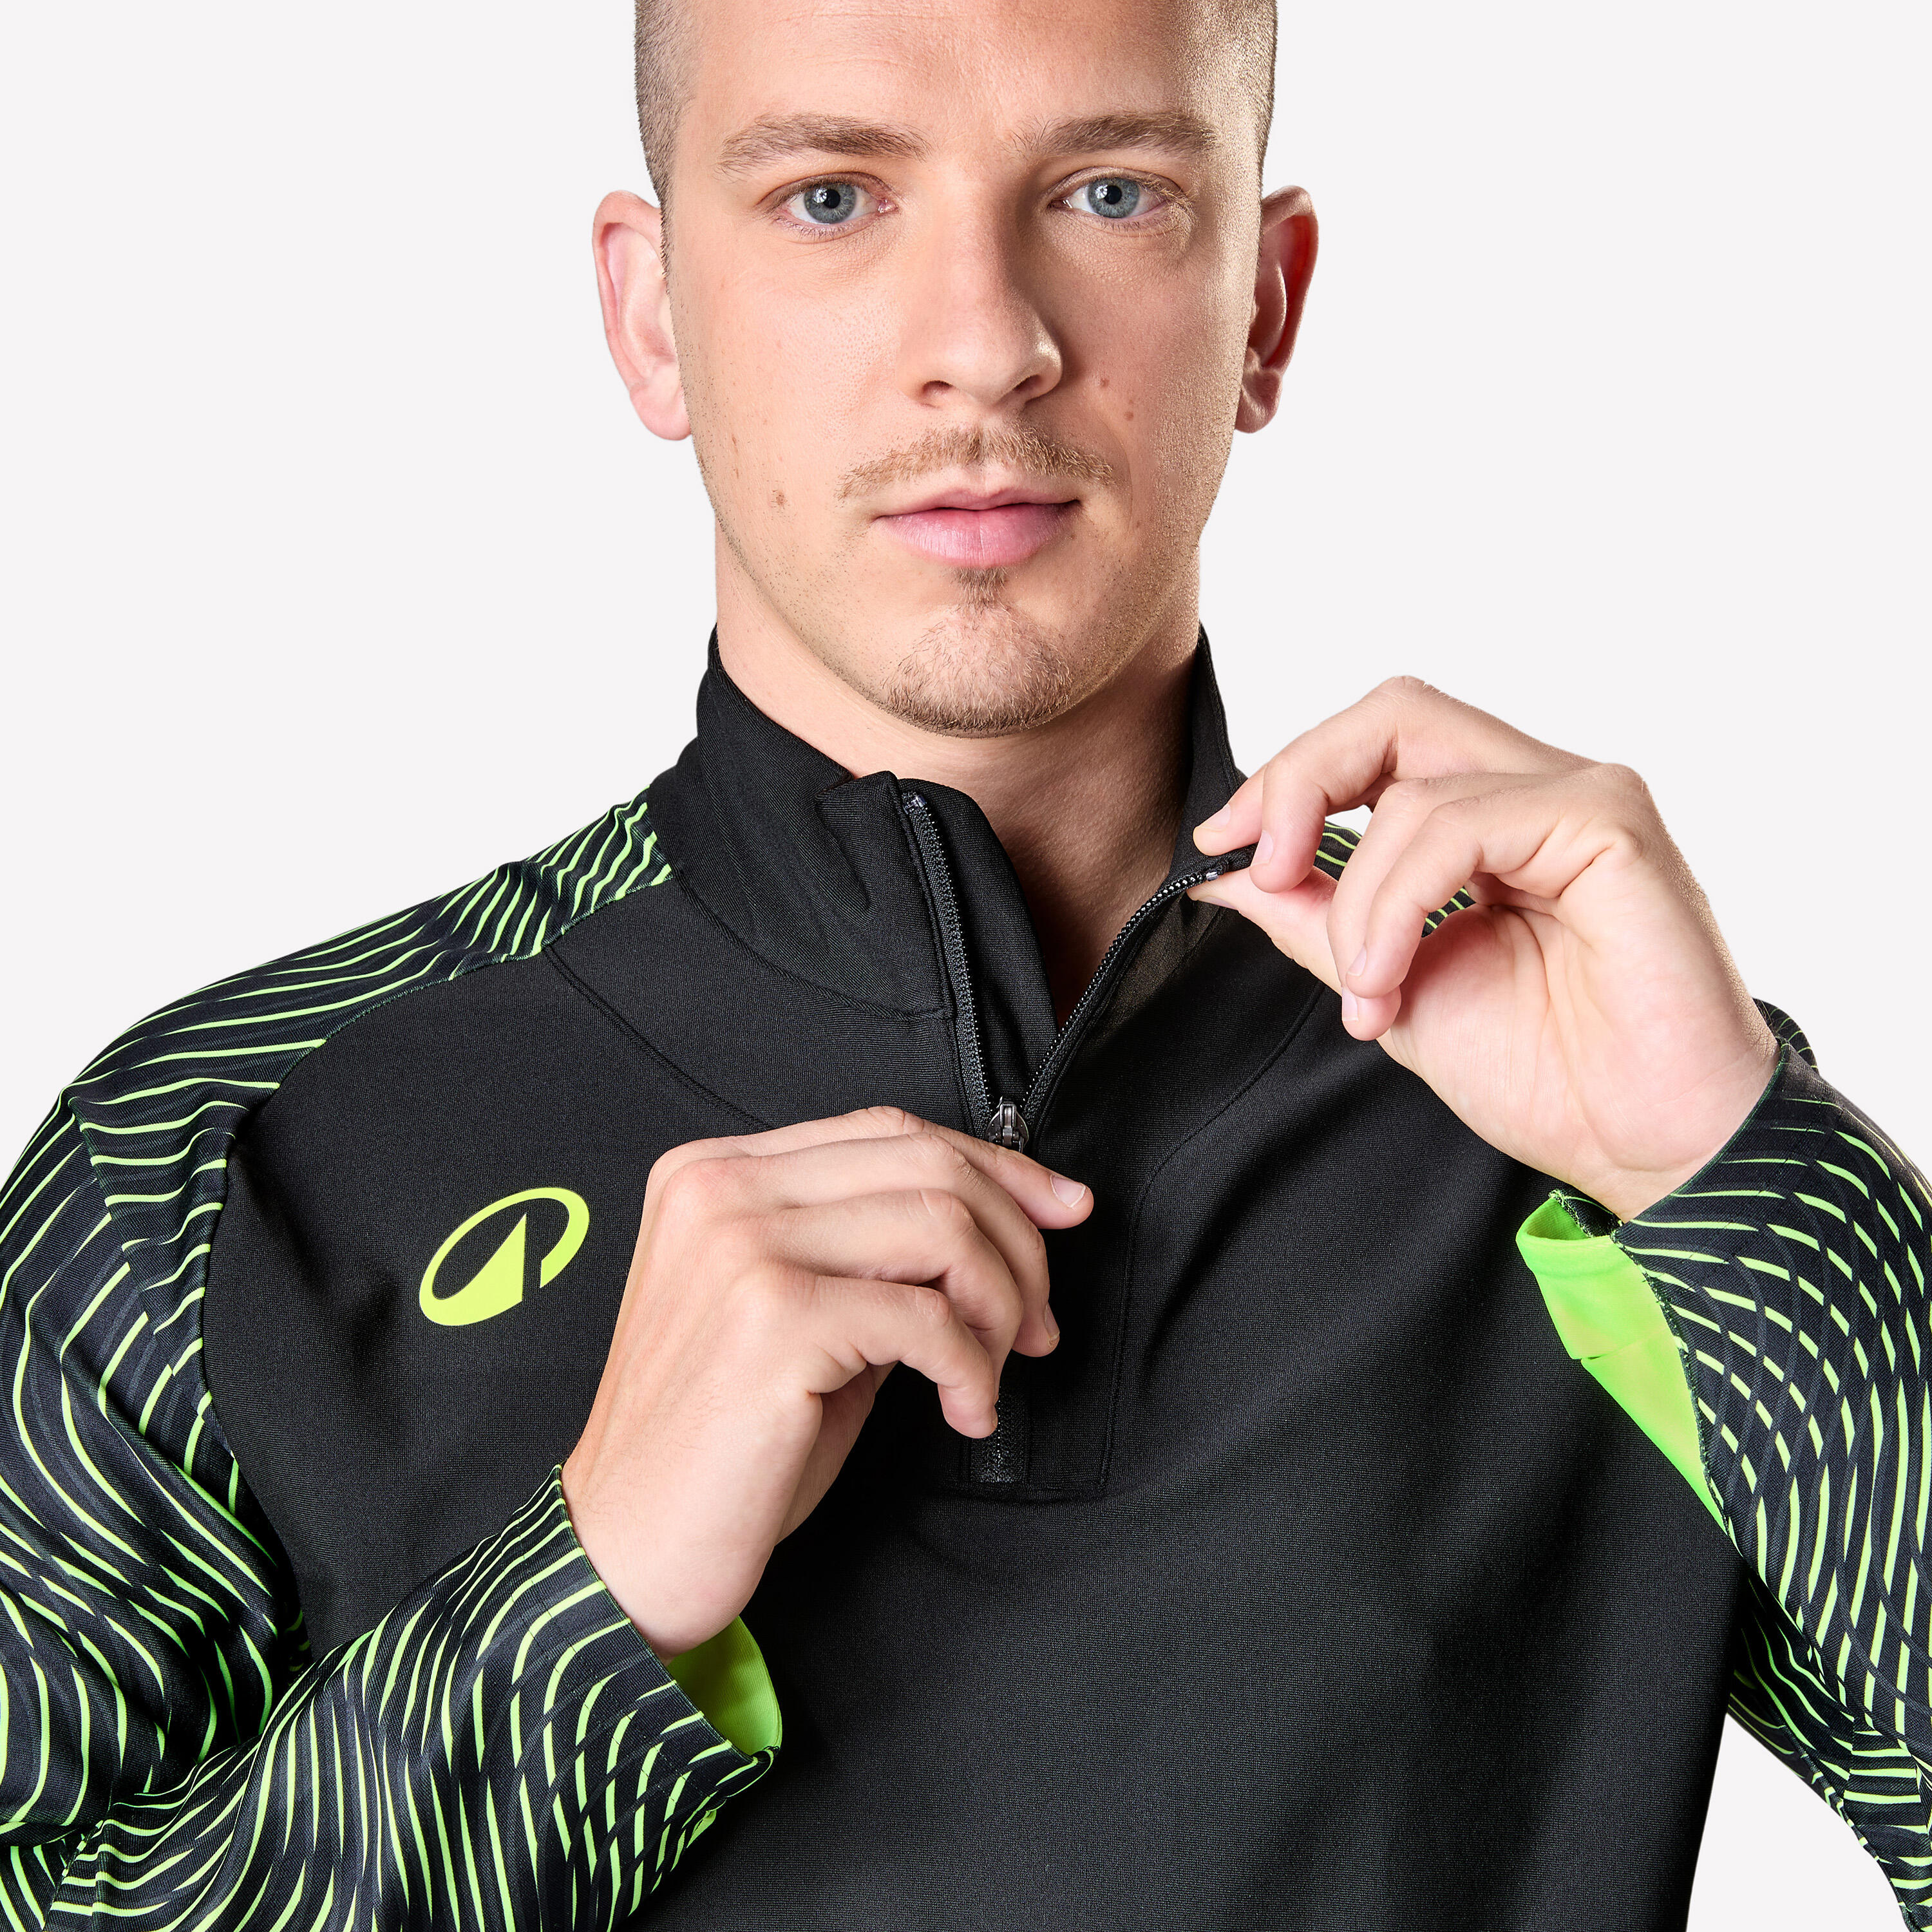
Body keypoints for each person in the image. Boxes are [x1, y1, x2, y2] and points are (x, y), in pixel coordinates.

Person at [1, 0, 1924, 1926]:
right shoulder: (210, 1155)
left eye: (1111, 192)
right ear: (653, 312)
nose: (987, 343)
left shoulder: (1593, 1088)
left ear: (1266, 304)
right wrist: (581, 1609)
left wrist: (1740, 1172)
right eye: (834, 197)